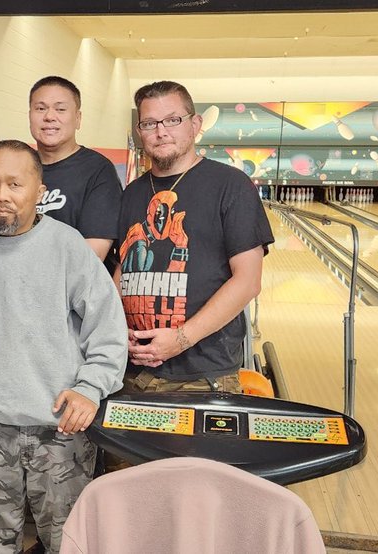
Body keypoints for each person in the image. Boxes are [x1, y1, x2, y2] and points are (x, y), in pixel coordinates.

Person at [0, 140, 127, 554]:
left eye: (15, 184)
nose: (2, 195)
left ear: (39, 191)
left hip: (60, 430)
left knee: (69, 542)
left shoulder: (68, 246)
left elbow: (107, 329)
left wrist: (90, 388)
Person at [115, 81, 274, 394]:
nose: (161, 132)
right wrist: (118, 327)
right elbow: (122, 269)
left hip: (202, 377)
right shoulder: (131, 193)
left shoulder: (231, 185)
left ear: (195, 124)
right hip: (130, 371)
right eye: (149, 123)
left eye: (173, 120)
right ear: (140, 131)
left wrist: (181, 339)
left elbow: (248, 281)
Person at [27, 76, 123, 262]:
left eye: (61, 109)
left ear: (78, 119)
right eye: (40, 108)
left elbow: (91, 256)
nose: (49, 117)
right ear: (29, 115)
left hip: (73, 289)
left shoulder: (98, 171)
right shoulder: (20, 167)